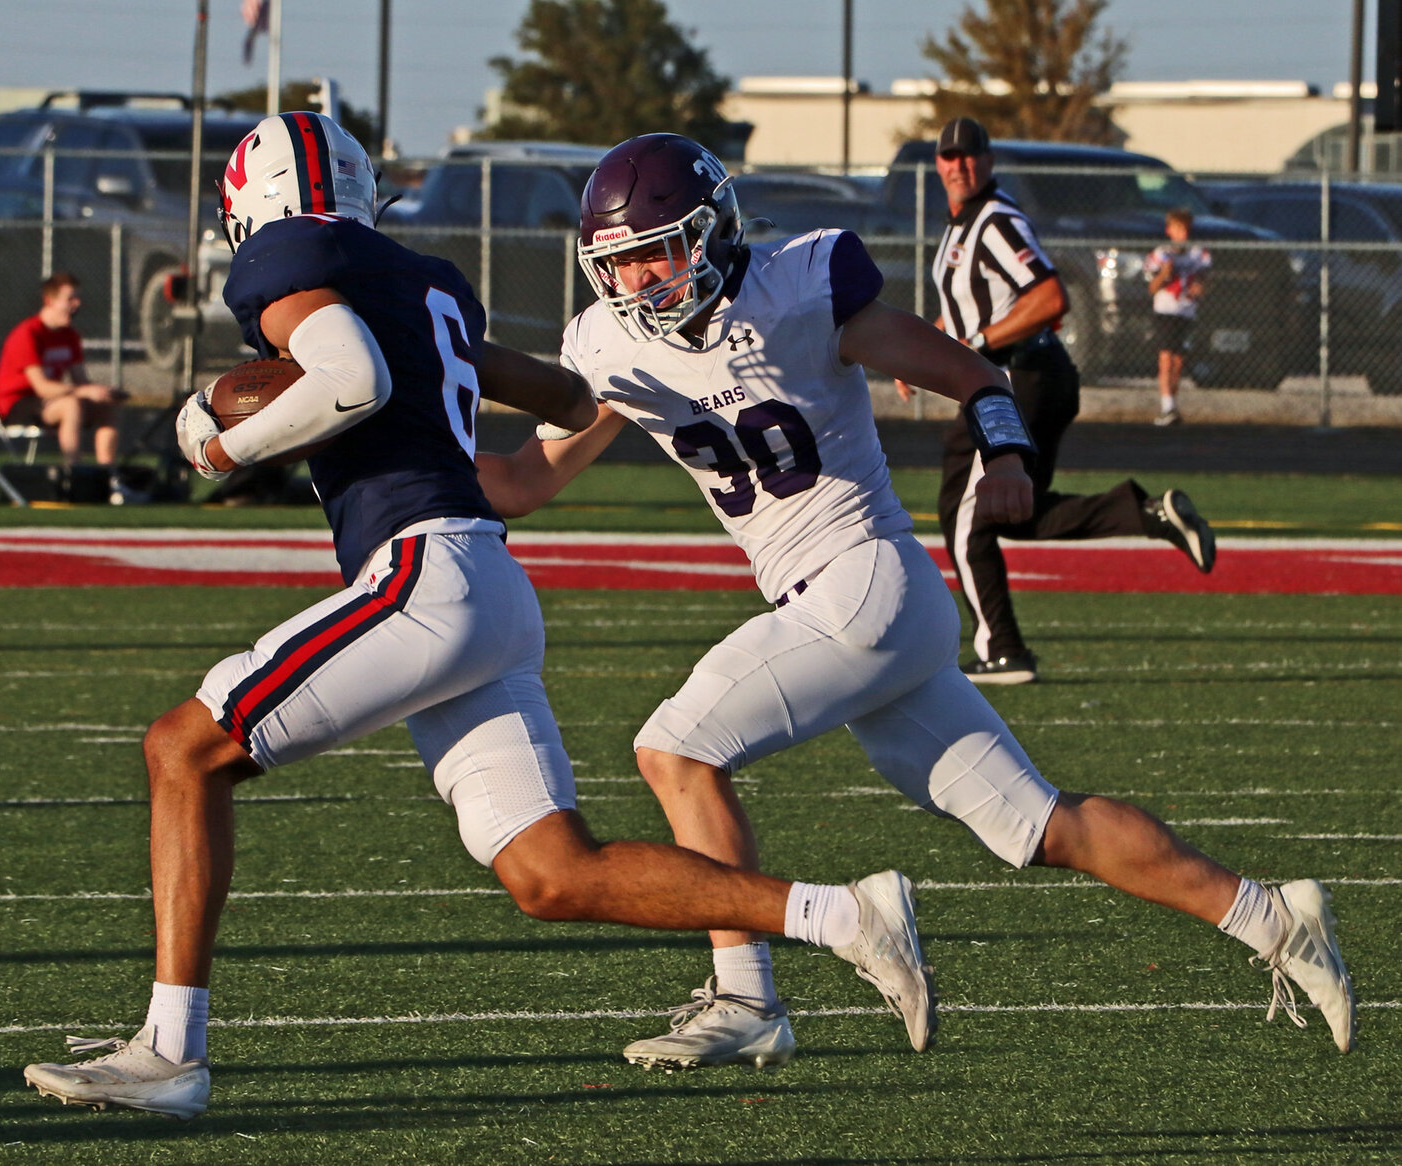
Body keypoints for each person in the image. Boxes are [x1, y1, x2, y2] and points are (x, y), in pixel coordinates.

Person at [20, 112, 932, 1121]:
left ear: (254, 207)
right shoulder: (425, 279)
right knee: (553, 872)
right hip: (489, 583)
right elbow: (567, 394)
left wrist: (225, 445)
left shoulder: (291, 255)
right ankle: (841, 912)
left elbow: (351, 379)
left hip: (422, 575)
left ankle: (169, 1050)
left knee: (180, 750)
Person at [475, 131, 1354, 1073]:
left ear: (715, 231)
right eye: (619, 262)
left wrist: (1010, 459)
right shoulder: (610, 345)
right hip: (865, 611)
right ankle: (1273, 916)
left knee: (676, 751)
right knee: (1042, 825)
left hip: (862, 581)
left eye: (658, 249)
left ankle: (748, 999)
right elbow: (524, 482)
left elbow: (975, 374)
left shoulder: (800, 287)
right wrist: (379, 466)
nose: (642, 279)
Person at [906, 118, 1215, 685]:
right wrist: (930, 344)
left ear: (988, 160)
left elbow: (1049, 297)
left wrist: (970, 347)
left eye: (969, 155)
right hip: (1016, 378)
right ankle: (1147, 513)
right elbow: (976, 307)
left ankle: (1003, 650)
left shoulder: (996, 219)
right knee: (1012, 511)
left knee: (967, 515)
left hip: (1018, 379)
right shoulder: (960, 226)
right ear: (938, 165)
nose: (959, 165)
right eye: (948, 157)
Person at [0, 271, 140, 501]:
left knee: (105, 407)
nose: (77, 304)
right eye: (70, 298)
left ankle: (108, 476)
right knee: (71, 405)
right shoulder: (28, 334)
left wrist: (100, 393)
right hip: (18, 405)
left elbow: (81, 381)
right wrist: (83, 392)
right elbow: (41, 387)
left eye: (77, 298)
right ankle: (74, 473)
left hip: (49, 402)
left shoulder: (69, 335)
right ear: (50, 301)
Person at [1147, 207, 1211, 426]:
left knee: (1179, 360)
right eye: (1177, 229)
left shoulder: (1198, 254)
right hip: (1165, 310)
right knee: (1165, 358)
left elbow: (1204, 280)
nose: (1182, 234)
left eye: (1185, 229)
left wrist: (1200, 287)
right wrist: (1165, 272)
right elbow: (1152, 288)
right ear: (1169, 230)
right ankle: (1167, 406)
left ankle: (1173, 404)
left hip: (1186, 310)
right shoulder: (1161, 254)